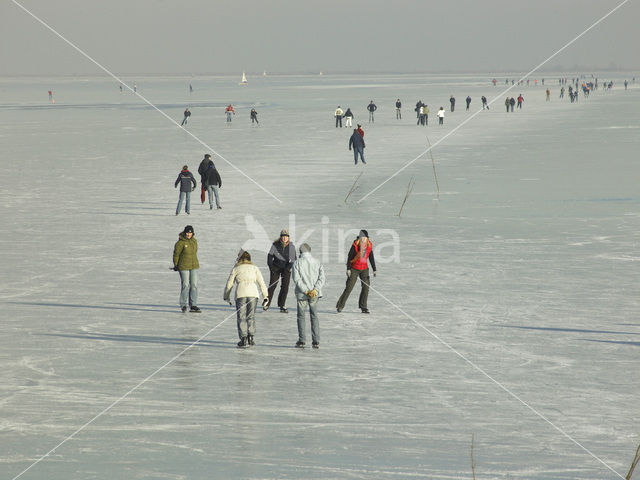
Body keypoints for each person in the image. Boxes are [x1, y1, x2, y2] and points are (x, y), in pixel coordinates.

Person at [224, 250, 269, 348]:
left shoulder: (236, 268)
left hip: (241, 294)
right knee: (251, 316)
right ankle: (251, 337)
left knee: (241, 316)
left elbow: (229, 284)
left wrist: (226, 296)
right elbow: (262, 283)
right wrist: (266, 296)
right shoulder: (255, 268)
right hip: (253, 294)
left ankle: (243, 338)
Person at [292, 243, 325, 348]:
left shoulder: (297, 263)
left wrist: (306, 291)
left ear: (300, 251)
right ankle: (316, 341)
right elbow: (322, 278)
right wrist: (315, 290)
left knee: (301, 316)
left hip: (302, 294)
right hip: (314, 294)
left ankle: (302, 340)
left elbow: (297, 279)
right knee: (314, 316)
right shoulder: (317, 262)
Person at [336, 230, 377, 314]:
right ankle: (340, 306)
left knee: (366, 287)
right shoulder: (355, 245)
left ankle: (363, 307)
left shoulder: (369, 245)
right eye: (362, 237)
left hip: (364, 269)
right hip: (354, 269)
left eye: (364, 237)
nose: (363, 239)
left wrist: (374, 269)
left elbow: (371, 257)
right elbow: (349, 257)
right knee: (349, 287)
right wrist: (348, 269)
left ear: (367, 237)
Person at [267, 229, 297, 313]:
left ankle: (282, 304)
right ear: (280, 237)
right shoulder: (275, 245)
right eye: (283, 236)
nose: (284, 238)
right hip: (276, 268)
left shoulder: (291, 246)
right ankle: (267, 303)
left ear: (288, 238)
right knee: (272, 286)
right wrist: (271, 267)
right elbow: (269, 256)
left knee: (285, 287)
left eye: (286, 237)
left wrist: (289, 267)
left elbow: (294, 259)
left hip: (286, 270)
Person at [173, 225, 200, 313]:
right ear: (185, 233)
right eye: (187, 233)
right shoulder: (180, 243)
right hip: (183, 266)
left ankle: (193, 304)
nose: (189, 234)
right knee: (185, 285)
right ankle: (183, 304)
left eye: (190, 233)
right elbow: (176, 254)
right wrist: (176, 265)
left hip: (194, 266)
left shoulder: (194, 241)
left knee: (194, 285)